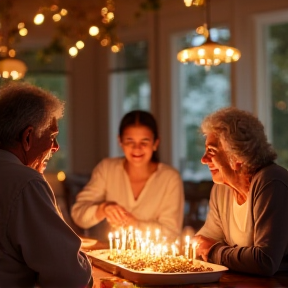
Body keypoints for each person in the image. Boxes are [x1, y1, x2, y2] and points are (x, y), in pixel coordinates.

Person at [0, 83, 92, 287]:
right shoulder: (26, 182)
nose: (56, 147)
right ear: (27, 137)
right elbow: (70, 277)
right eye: (51, 136)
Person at [193, 107, 288, 276]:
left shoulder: (271, 181)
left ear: (236, 156)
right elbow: (204, 242)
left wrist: (214, 252)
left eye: (211, 151)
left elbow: (265, 261)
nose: (203, 159)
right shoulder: (221, 189)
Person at [71, 110, 184, 242]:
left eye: (144, 142)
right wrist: (103, 210)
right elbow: (78, 214)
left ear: (155, 143)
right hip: (112, 257)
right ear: (120, 141)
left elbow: (171, 233)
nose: (137, 148)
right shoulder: (107, 169)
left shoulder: (170, 178)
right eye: (130, 141)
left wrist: (134, 224)